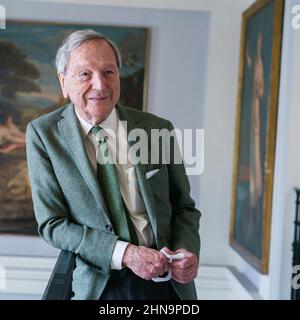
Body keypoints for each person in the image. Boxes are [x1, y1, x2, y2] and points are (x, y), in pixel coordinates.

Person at [26, 29, 201, 300]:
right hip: (98, 286)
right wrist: (125, 253)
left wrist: (187, 249)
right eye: (85, 74)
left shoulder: (157, 128)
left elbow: (183, 207)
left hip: (165, 286)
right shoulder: (44, 135)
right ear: (63, 82)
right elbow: (53, 223)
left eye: (109, 72)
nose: (100, 85)